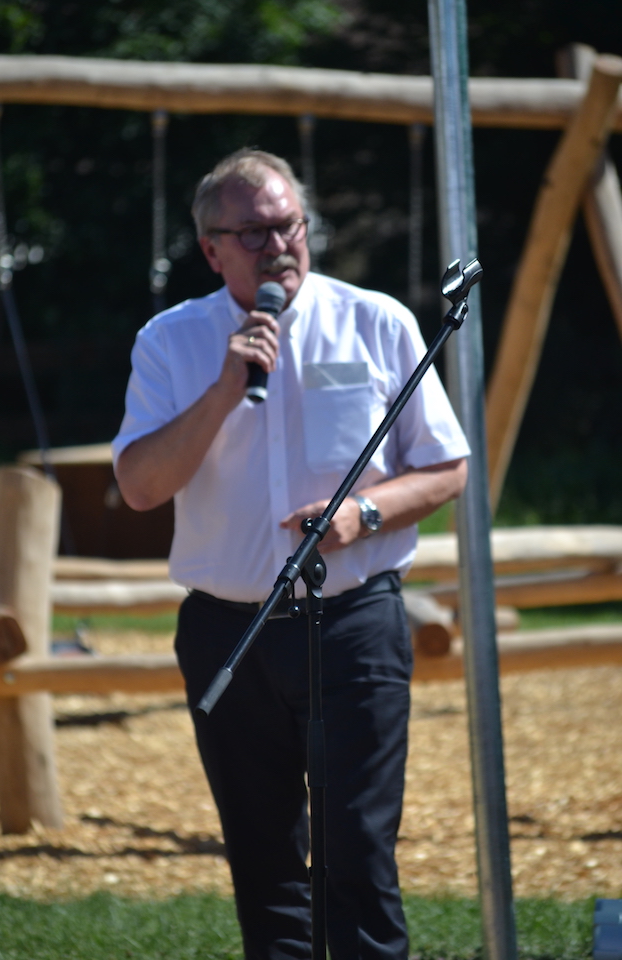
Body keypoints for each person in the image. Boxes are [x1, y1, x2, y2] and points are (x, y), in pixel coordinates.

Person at [113, 148, 470, 960]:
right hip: (228, 633)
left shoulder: (376, 322)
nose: (279, 246)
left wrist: (363, 514)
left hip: (352, 625)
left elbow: (447, 467)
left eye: (290, 226)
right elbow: (139, 486)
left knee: (357, 855)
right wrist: (225, 390)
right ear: (213, 250)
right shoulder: (171, 342)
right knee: (264, 862)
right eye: (254, 233)